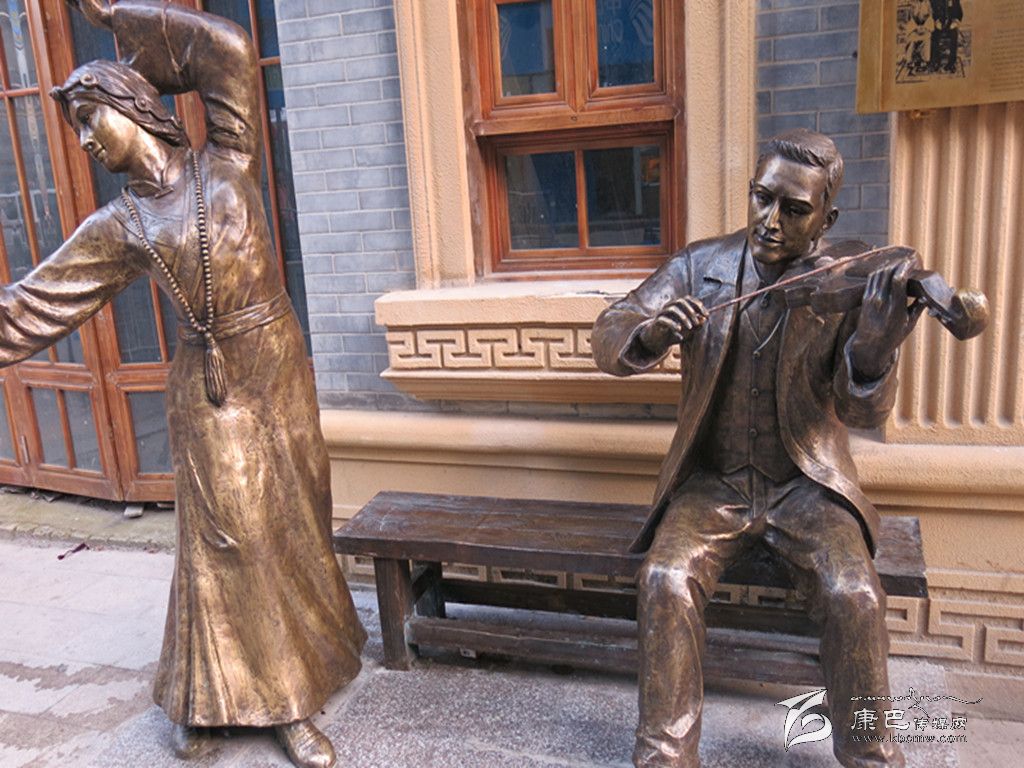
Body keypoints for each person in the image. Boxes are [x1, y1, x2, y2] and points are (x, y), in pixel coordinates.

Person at [1, 2, 366, 766]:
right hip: (212, 388)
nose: (86, 140)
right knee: (234, 538)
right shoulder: (121, 225)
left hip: (279, 364)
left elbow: (227, 47)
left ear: (134, 106)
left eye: (91, 119)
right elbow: (32, 305)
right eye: (74, 129)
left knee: (295, 522)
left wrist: (114, 16)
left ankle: (239, 688)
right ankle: (279, 705)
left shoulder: (229, 156)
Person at [592, 129, 918, 768]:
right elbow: (610, 328)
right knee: (664, 578)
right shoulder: (699, 265)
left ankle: (871, 755)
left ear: (826, 220)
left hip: (807, 486)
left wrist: (874, 350)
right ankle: (664, 756)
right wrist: (650, 334)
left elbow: (862, 413)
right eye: (762, 199)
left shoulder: (848, 284)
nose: (770, 221)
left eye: (794, 210)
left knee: (854, 594)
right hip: (712, 483)